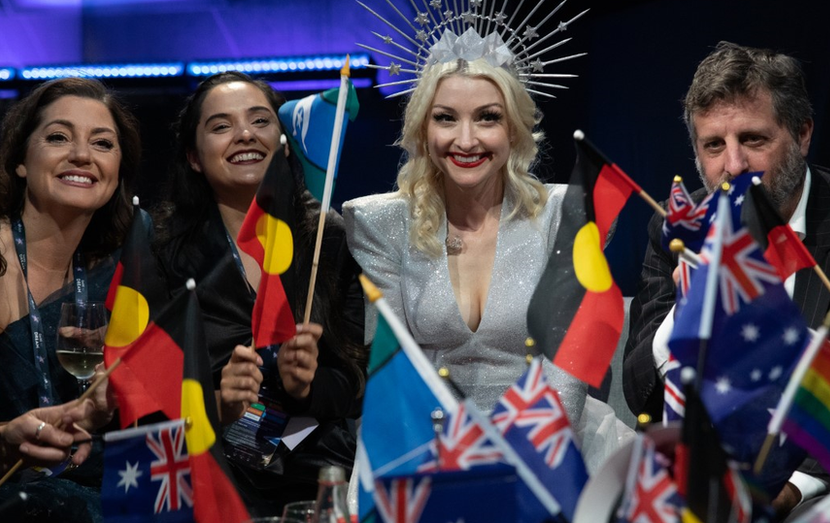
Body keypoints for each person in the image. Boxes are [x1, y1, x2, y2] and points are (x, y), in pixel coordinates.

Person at [622, 41, 830, 515]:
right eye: (714, 145)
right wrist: (689, 312)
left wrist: (785, 491)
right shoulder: (674, 228)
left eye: (753, 139)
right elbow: (638, 385)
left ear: (803, 134)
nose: (733, 166)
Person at [343, 57, 633, 471]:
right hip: (429, 449)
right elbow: (394, 374)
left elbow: (565, 369)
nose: (466, 139)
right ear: (423, 131)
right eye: (446, 118)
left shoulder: (568, 214)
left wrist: (524, 482)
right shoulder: (382, 225)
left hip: (549, 449)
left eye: (487, 118)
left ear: (513, 130)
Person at [151, 71, 367, 516]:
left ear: (283, 140)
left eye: (260, 121)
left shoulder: (331, 239)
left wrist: (303, 386)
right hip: (203, 467)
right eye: (221, 125)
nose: (245, 134)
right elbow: (146, 395)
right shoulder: (161, 250)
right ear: (194, 156)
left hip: (313, 466)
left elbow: (353, 382)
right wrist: (217, 404)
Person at [0, 77, 140, 522]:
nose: (82, 155)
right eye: (59, 137)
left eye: (102, 143)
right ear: (21, 159)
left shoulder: (121, 272)